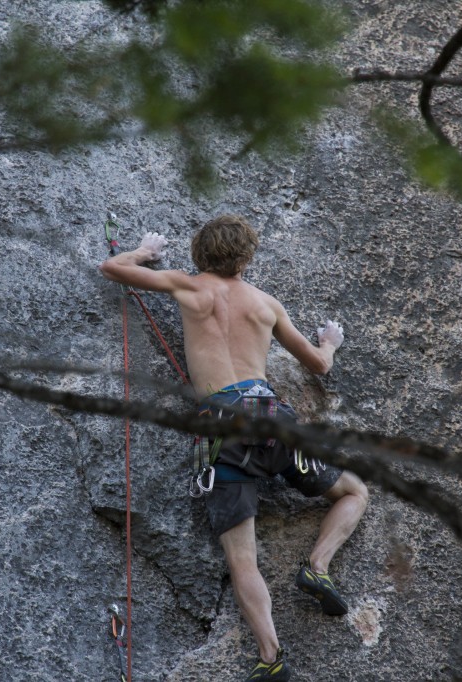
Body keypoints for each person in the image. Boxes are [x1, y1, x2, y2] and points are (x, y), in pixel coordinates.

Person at [99, 214, 369, 681]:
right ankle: (318, 566)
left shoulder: (187, 286)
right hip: (274, 423)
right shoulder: (267, 305)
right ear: (246, 258)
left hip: (223, 431)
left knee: (243, 559)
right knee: (354, 491)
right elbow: (319, 365)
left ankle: (271, 658)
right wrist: (330, 343)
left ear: (200, 255)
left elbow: (112, 269)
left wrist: (144, 251)